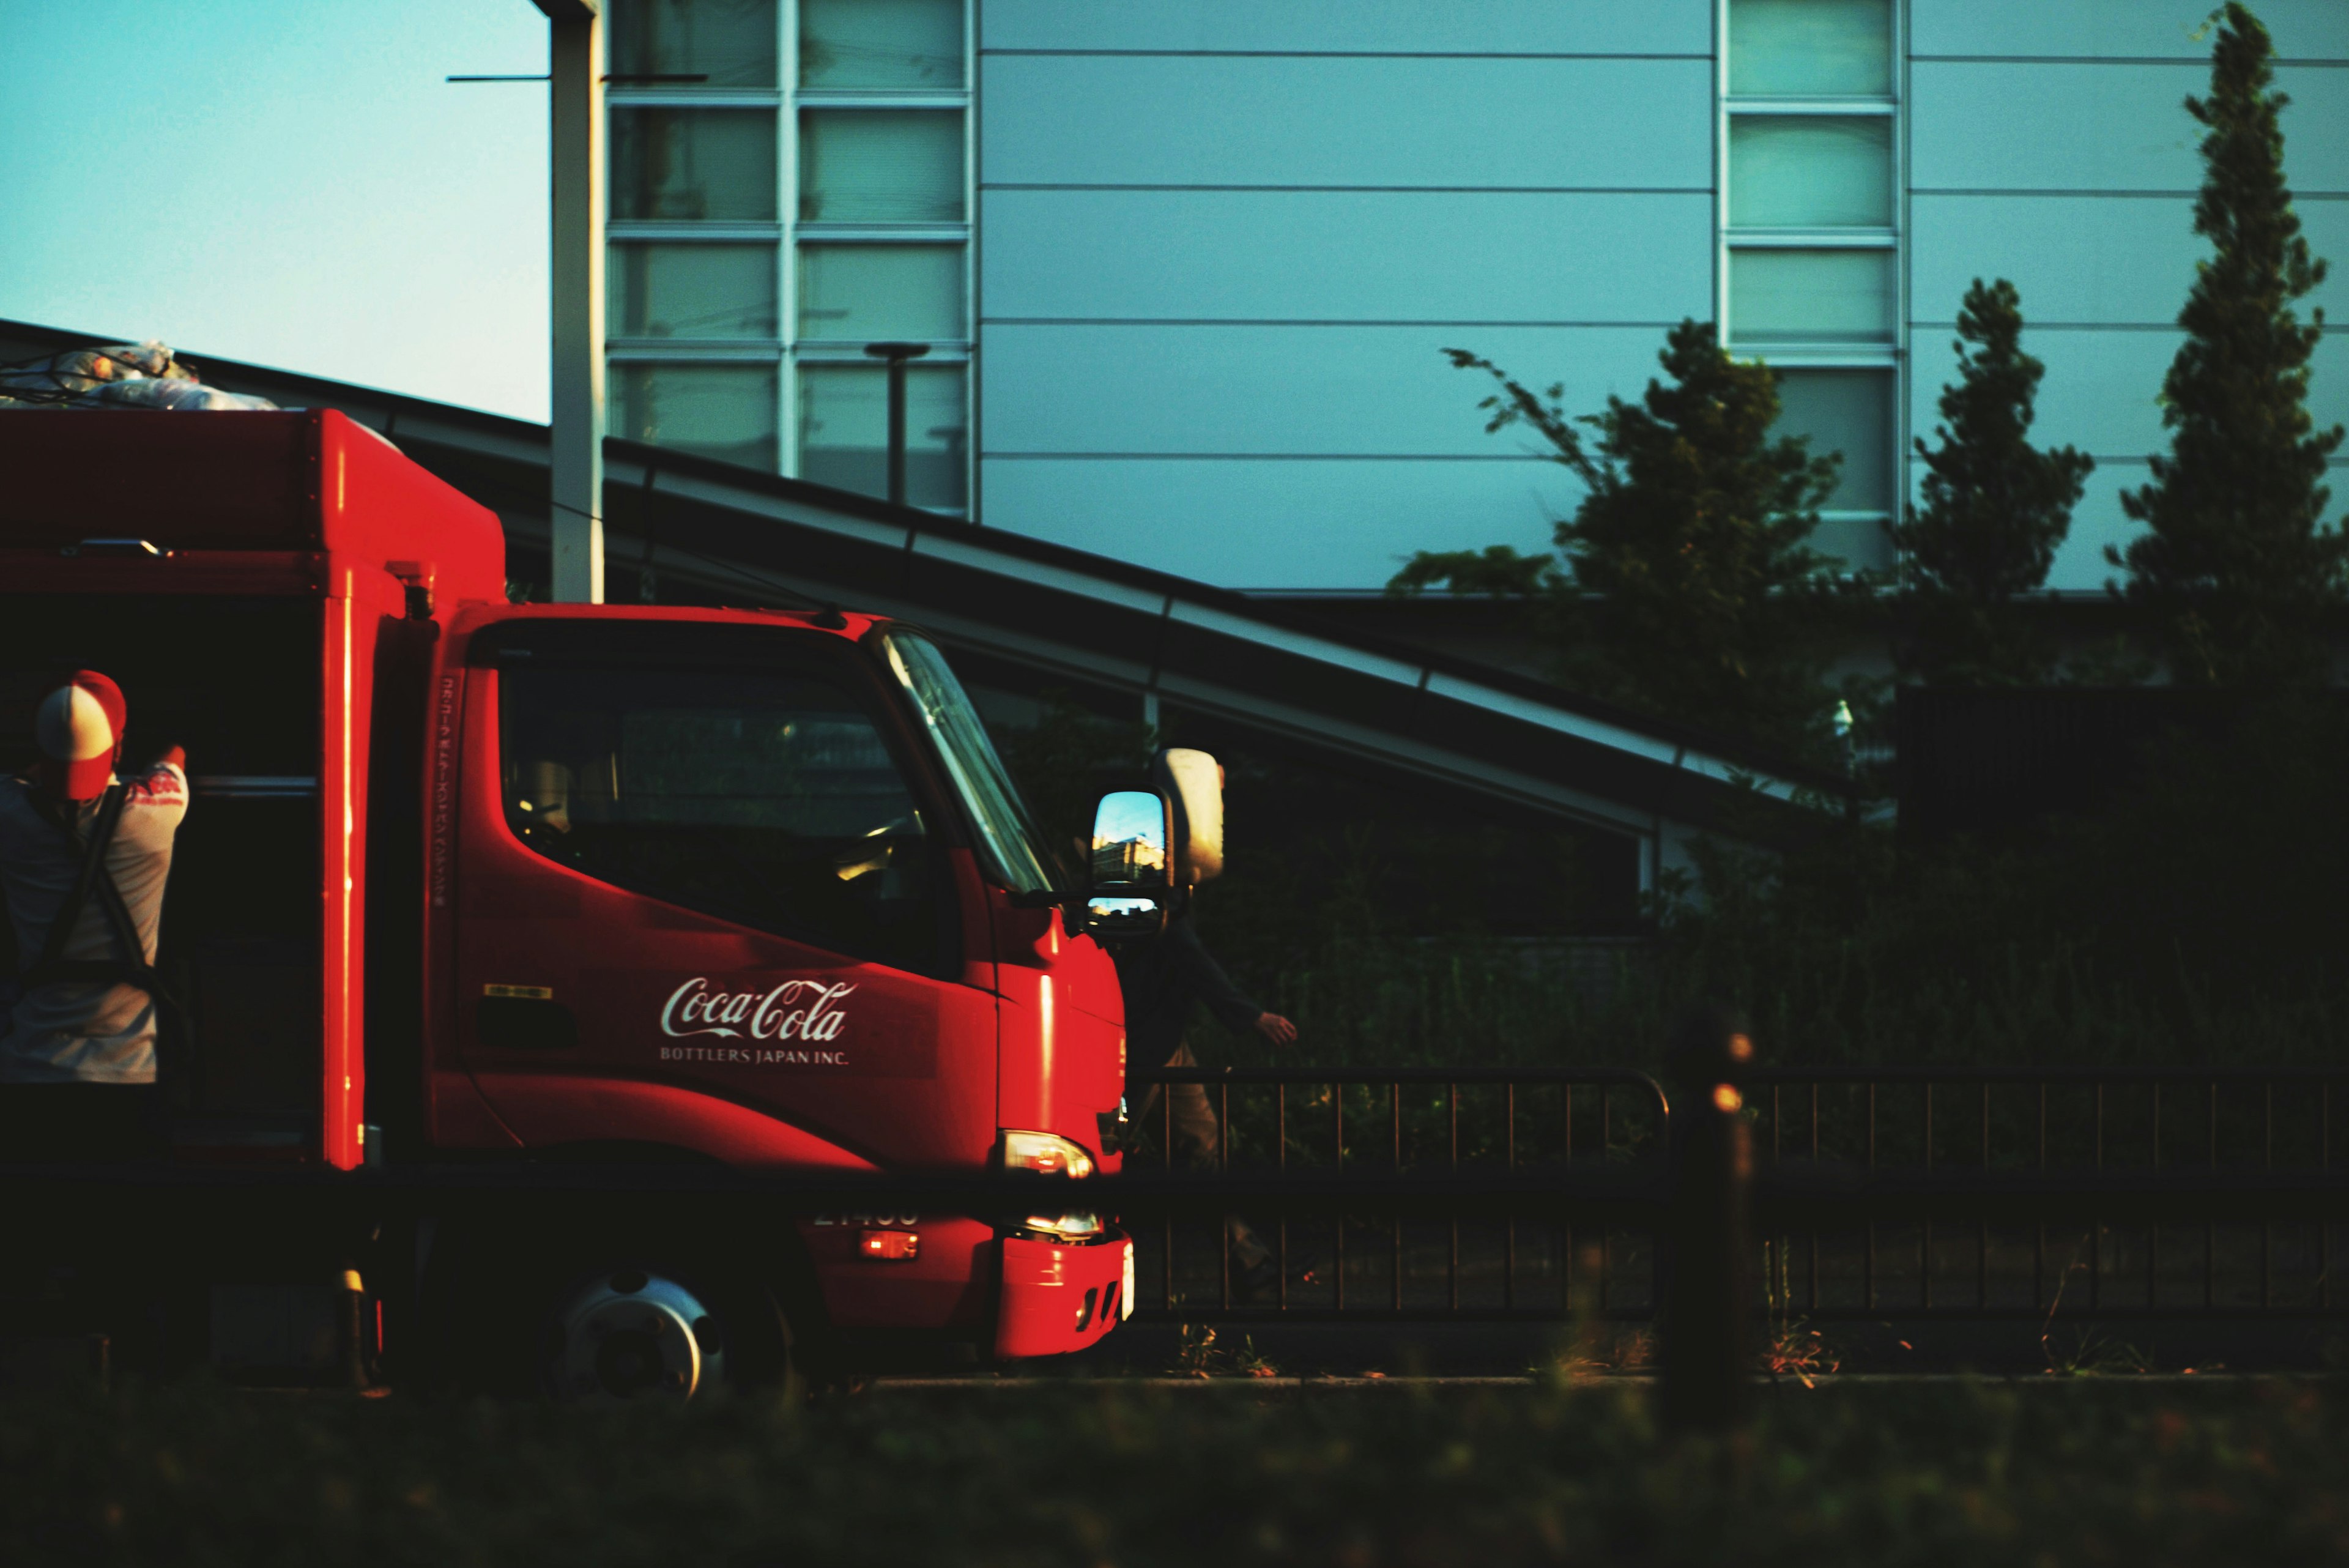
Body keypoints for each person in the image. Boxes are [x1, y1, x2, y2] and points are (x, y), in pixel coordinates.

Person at [1110, 749, 1296, 1295]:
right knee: (1101, 1154)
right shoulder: (1145, 862)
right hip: (1136, 1041)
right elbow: (1183, 949)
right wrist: (1249, 1015)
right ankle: (1060, 1261)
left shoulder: (1164, 862)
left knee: (1200, 1150)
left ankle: (1251, 1265)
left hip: (1160, 1038)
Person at [0, 671, 188, 1162]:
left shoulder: (9, 814)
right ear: (119, 746)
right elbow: (172, 761)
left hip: (26, 1075)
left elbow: (27, 778)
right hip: (130, 1080)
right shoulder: (154, 812)